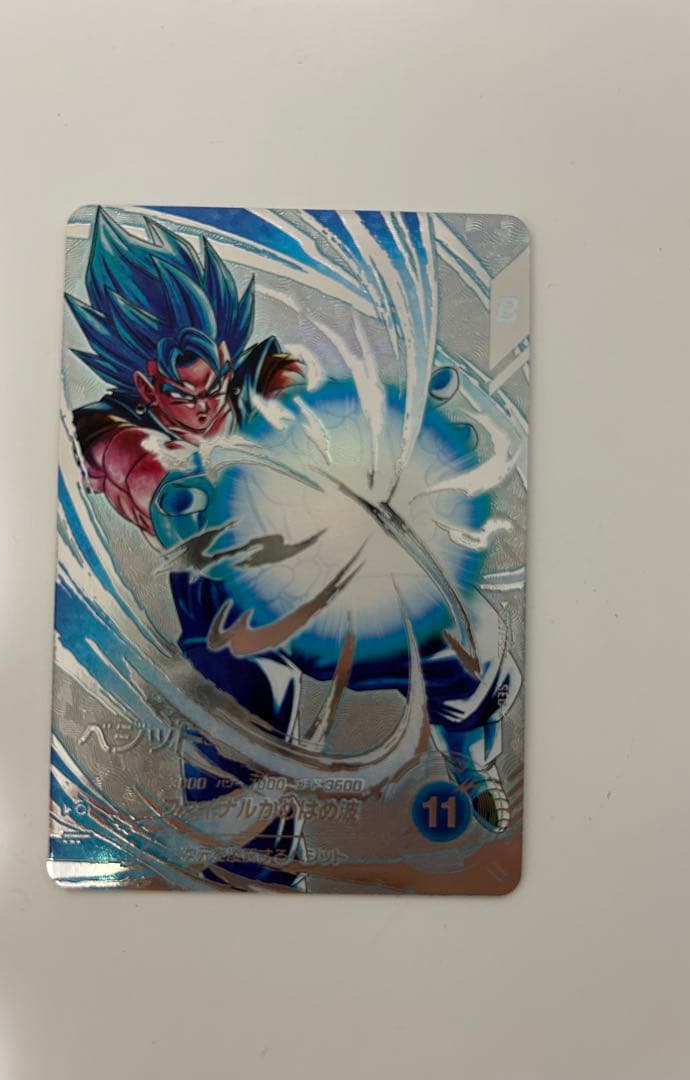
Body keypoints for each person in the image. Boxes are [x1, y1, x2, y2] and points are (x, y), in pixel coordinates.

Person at [67, 208, 519, 889]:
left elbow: (314, 420)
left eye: (214, 373)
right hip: (222, 604)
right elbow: (156, 492)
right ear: (141, 378)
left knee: (461, 637)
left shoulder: (264, 372)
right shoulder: (106, 429)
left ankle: (471, 762)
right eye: (181, 386)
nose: (205, 400)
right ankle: (252, 882)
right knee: (242, 770)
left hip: (316, 558)